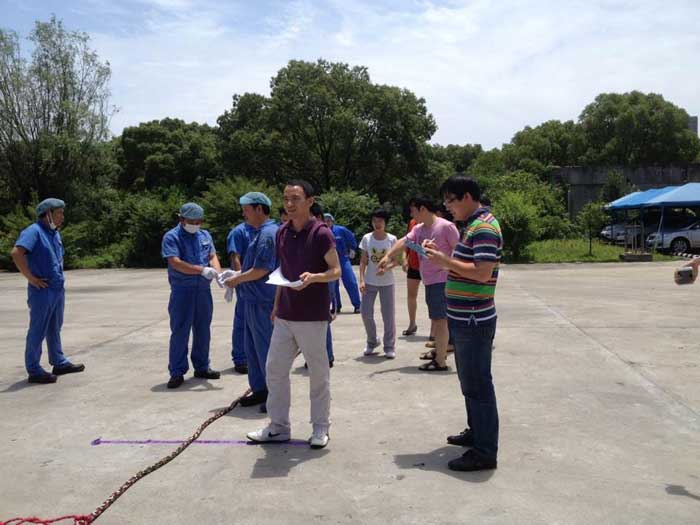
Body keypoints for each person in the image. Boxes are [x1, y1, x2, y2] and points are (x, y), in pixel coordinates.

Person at [247, 180, 340, 449]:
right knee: (274, 369)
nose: (289, 203)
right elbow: (283, 272)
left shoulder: (321, 233)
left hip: (312, 316)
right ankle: (278, 427)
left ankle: (320, 427)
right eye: (286, 198)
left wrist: (315, 277)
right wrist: (277, 305)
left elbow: (335, 270)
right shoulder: (282, 233)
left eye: (296, 198)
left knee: (318, 375)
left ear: (310, 201)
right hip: (285, 315)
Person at [426, 175, 503, 472]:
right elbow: (468, 265)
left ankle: (484, 451)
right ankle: (477, 432)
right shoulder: (471, 226)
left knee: (478, 384)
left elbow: (482, 273)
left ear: (468, 197)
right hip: (465, 317)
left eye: (451, 200)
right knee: (469, 382)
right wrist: (442, 257)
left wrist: (444, 262)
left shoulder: (483, 228)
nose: (447, 207)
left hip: (474, 319)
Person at [378, 196, 459, 371]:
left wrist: (448, 265)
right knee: (438, 319)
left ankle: (440, 361)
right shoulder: (419, 228)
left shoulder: (446, 227)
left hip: (442, 280)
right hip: (430, 280)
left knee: (440, 321)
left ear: (422, 209)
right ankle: (440, 351)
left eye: (413, 210)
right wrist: (388, 256)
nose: (411, 214)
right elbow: (405, 242)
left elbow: (459, 251)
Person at [11, 198, 85, 384]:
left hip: (57, 288)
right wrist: (31, 278)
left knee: (54, 327)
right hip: (42, 291)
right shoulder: (33, 231)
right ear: (48, 214)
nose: (62, 217)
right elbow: (17, 253)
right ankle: (34, 370)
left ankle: (59, 362)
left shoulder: (54, 233)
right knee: (38, 329)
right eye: (59, 213)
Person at [224, 192, 278, 408]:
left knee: (265, 351)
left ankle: (274, 396)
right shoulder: (259, 233)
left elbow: (262, 269)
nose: (244, 214)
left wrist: (236, 279)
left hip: (263, 300)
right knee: (253, 350)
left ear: (259, 209)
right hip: (252, 299)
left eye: (246, 210)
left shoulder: (268, 234)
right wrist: (239, 276)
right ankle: (260, 390)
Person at [161, 202, 222, 389]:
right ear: (181, 219)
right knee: (180, 331)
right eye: (192, 221)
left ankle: (202, 367)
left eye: (199, 221)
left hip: (203, 290)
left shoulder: (204, 235)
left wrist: (218, 273)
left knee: (203, 329)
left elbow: (212, 256)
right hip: (182, 290)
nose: (196, 225)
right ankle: (177, 372)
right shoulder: (172, 237)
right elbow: (175, 262)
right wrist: (201, 270)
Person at [359, 209, 398, 358]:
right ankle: (372, 341)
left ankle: (389, 346)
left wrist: (386, 268)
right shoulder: (367, 238)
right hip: (370, 282)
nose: (377, 224)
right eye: (374, 221)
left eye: (380, 221)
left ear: (385, 222)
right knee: (365, 313)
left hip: (387, 283)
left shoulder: (392, 239)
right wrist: (361, 280)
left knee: (388, 316)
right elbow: (363, 261)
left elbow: (397, 261)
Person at [226, 221, 254, 374]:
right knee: (242, 320)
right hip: (245, 281)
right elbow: (235, 257)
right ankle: (240, 359)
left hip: (260, 281)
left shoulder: (264, 229)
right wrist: (241, 278)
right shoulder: (239, 232)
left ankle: (255, 356)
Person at [324, 213, 361, 313]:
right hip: (330, 260)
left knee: (350, 281)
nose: (327, 222)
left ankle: (357, 305)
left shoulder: (340, 230)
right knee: (332, 285)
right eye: (325, 220)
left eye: (329, 220)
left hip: (343, 259)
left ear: (332, 221)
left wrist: (353, 248)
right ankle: (336, 306)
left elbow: (351, 237)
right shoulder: (322, 232)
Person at [402, 216, 421, 336]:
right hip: (413, 264)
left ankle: (434, 330)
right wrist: (404, 257)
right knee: (411, 295)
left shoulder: (434, 222)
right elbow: (407, 241)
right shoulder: (413, 222)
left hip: (430, 266)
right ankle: (412, 323)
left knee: (432, 298)